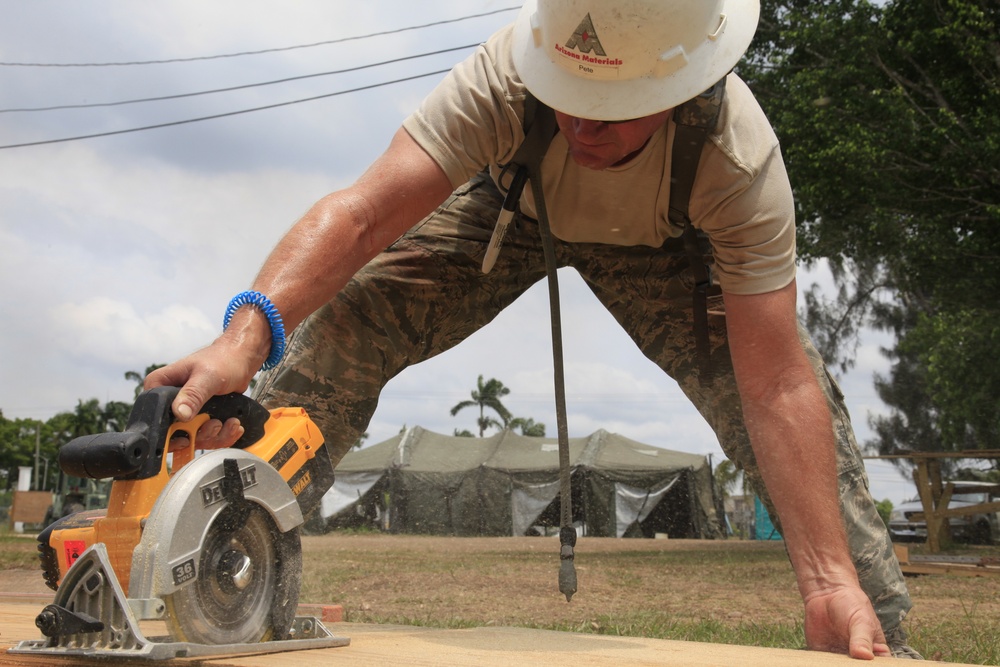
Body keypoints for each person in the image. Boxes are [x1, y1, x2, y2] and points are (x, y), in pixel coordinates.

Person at [147, 0, 920, 659]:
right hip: (511, 212)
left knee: (793, 413)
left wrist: (829, 580)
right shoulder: (505, 77)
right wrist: (242, 339)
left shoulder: (734, 157)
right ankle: (218, 554)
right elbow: (361, 214)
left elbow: (776, 384)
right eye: (568, 91)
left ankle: (866, 627)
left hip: (671, 245)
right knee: (354, 314)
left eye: (610, 105)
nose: (580, 121)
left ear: (682, 84)